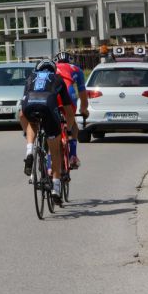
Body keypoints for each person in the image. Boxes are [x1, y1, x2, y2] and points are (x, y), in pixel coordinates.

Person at [19, 59, 74, 205]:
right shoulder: (57, 78)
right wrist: (68, 130)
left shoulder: (31, 77)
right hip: (48, 106)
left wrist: (26, 134)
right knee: (55, 151)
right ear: (53, 70)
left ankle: (30, 150)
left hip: (29, 106)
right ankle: (56, 188)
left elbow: (20, 115)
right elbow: (69, 111)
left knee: (32, 123)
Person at [54, 51, 88, 169]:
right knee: (72, 121)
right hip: (68, 92)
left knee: (51, 126)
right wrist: (84, 109)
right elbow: (82, 93)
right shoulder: (76, 69)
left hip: (53, 93)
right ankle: (73, 155)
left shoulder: (52, 67)